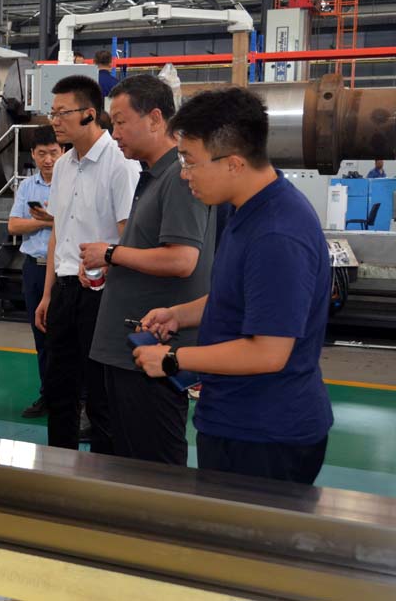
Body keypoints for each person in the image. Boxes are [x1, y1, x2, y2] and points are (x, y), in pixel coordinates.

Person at [133, 87, 333, 485]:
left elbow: (269, 352)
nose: (184, 174)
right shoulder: (248, 209)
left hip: (265, 435)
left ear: (234, 164)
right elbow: (241, 295)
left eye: (190, 161)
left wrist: (173, 359)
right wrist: (179, 315)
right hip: (238, 419)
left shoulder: (277, 233)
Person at [85, 75, 215, 466]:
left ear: (156, 118)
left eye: (121, 122)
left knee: (154, 465)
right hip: (129, 350)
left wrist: (112, 254)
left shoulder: (178, 177)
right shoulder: (152, 176)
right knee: (125, 458)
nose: (115, 133)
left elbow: (181, 260)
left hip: (150, 348)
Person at [34, 75, 140, 453]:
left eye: (62, 113)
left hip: (102, 294)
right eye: (52, 113)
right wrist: (48, 294)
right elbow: (58, 234)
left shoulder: (120, 165)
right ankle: (58, 468)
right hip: (65, 290)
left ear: (89, 114)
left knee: (100, 395)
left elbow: (129, 236)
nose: (55, 121)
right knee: (59, 389)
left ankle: (102, 475)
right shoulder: (63, 166)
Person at [8, 125, 63, 418]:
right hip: (33, 269)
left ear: (63, 151)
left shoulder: (70, 182)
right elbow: (13, 225)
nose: (48, 159)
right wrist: (47, 221)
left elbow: (76, 221)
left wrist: (44, 219)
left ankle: (73, 399)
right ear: (32, 154)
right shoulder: (28, 186)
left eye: (53, 152)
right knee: (40, 336)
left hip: (63, 272)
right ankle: (48, 395)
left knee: (64, 339)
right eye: (42, 153)